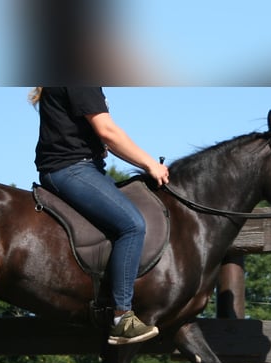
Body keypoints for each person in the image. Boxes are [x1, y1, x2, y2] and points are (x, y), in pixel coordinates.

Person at [32, 87, 169, 345]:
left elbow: (102, 137)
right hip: (72, 169)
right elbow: (107, 131)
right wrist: (150, 163)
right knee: (132, 225)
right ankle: (122, 318)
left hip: (79, 167)